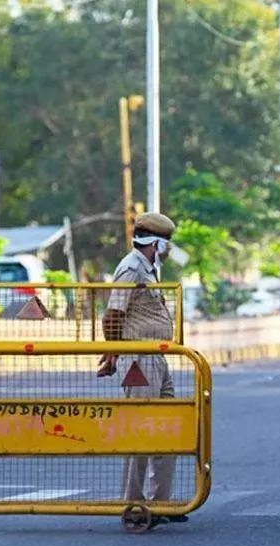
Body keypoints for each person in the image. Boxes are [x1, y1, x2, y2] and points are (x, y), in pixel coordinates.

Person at [99, 212, 185, 526]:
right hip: (139, 358)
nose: (168, 250)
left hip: (156, 357)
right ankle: (133, 504)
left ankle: (161, 503)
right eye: (166, 244)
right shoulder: (131, 268)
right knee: (140, 431)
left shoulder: (149, 268)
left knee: (167, 427)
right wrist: (114, 351)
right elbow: (112, 315)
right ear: (156, 244)